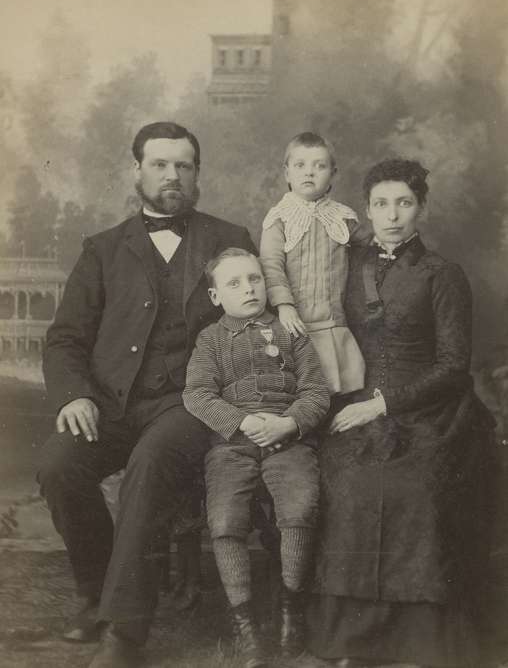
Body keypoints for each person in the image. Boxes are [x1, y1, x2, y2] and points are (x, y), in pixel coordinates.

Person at [37, 122, 256, 668]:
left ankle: (125, 633)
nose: (172, 176)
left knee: (151, 462)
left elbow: (255, 325)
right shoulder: (103, 249)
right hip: (111, 404)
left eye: (183, 165)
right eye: (159, 164)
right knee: (59, 465)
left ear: (197, 173)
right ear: (137, 171)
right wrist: (72, 396)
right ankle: (96, 592)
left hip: (191, 403)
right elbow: (65, 338)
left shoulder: (229, 239)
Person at [305, 159, 496, 667]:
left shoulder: (442, 275)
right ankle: (354, 641)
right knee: (350, 485)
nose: (392, 215)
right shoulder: (347, 264)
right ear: (366, 209)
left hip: (432, 411)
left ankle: (419, 641)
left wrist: (384, 404)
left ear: (422, 209)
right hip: (356, 403)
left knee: (415, 490)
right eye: (382, 204)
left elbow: (455, 366)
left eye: (404, 203)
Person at [182, 248, 330, 667]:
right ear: (215, 297)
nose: (248, 289)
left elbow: (317, 392)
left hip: (288, 440)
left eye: (254, 279)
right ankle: (244, 622)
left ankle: (291, 608)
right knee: (226, 519)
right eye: (234, 283)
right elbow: (197, 394)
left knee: (300, 508)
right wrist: (242, 423)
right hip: (233, 445)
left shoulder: (290, 329)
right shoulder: (211, 339)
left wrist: (289, 424)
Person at [259, 131, 365, 407]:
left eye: (319, 166)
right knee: (302, 392)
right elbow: (271, 265)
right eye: (300, 165)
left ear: (333, 173)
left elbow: (370, 249)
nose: (309, 173)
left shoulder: (343, 216)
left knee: (340, 392)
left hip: (336, 320)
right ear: (286, 173)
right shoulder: (278, 218)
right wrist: (284, 305)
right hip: (295, 321)